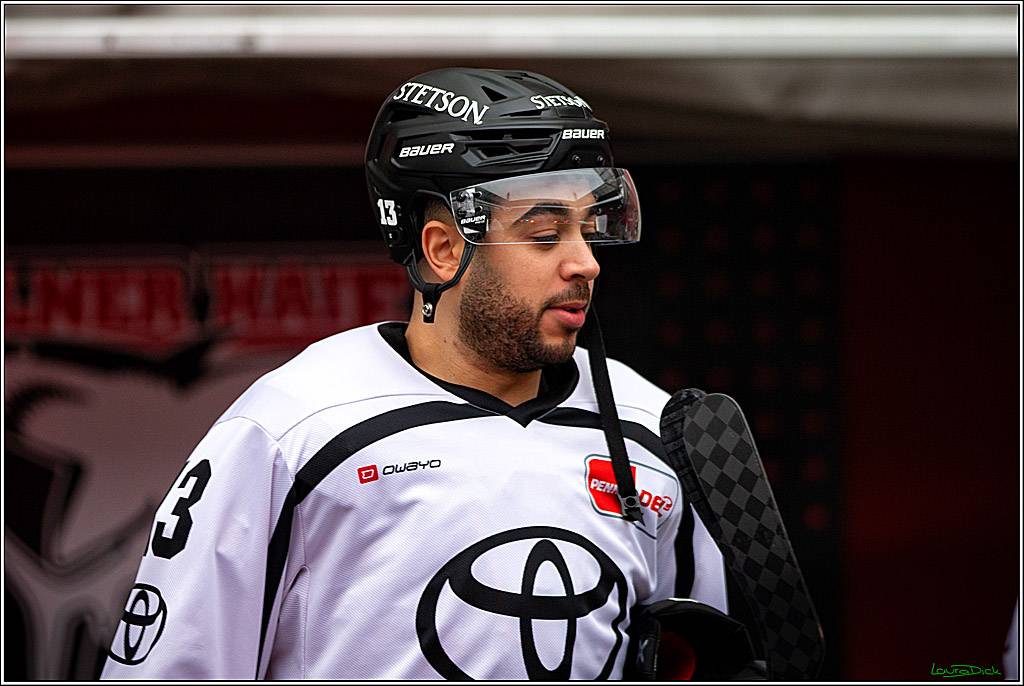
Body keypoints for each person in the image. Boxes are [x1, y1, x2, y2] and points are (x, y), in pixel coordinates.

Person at [100, 67, 729, 680]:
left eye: (590, 227)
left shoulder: (654, 429)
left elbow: (704, 650)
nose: (585, 262)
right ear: (444, 248)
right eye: (545, 233)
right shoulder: (293, 426)